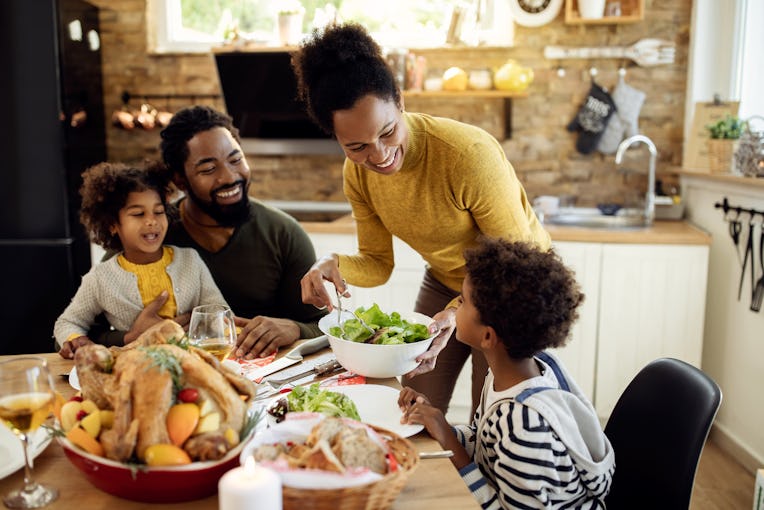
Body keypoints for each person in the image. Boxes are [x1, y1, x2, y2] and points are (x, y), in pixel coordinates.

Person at [293, 23, 551, 415]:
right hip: (447, 279)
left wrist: (458, 310)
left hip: (511, 290)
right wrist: (332, 265)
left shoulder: (467, 156)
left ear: (399, 100)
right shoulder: (357, 174)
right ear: (336, 138)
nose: (378, 156)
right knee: (413, 403)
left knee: (496, 416)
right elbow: (378, 264)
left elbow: (515, 265)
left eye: (387, 132)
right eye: (357, 146)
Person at [399, 238, 614, 509]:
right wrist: (440, 425)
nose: (455, 308)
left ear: (487, 336)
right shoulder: (515, 375)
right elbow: (485, 441)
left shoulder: (524, 425)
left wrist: (450, 443)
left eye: (462, 302)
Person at [158, 105, 326, 358]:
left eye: (236, 160)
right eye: (208, 169)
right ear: (180, 180)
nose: (229, 177)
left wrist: (294, 328)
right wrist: (139, 333)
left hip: (270, 387)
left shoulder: (283, 233)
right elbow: (84, 331)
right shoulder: (153, 232)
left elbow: (324, 328)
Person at [55, 161, 228, 359]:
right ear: (112, 224)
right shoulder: (100, 278)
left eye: (159, 211)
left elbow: (219, 312)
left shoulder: (190, 260)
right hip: (137, 366)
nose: (151, 221)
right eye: (138, 214)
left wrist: (201, 323)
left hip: (194, 360)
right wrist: (78, 339)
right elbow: (67, 322)